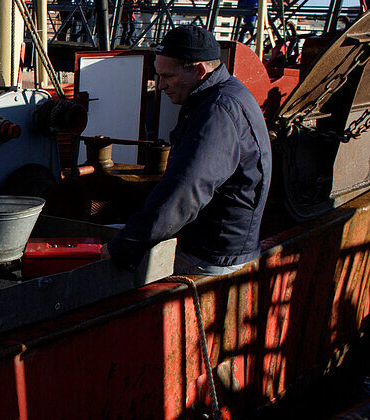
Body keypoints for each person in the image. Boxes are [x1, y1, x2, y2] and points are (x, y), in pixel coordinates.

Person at [105, 25, 272, 275]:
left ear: (200, 70)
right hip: (221, 244)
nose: (160, 85)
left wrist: (123, 248)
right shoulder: (225, 95)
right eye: (158, 76)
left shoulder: (217, 112)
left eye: (168, 76)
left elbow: (184, 192)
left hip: (210, 256)